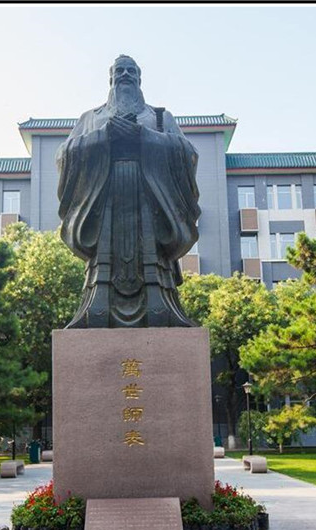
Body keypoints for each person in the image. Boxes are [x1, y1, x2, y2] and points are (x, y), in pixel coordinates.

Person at [56, 55, 201, 328]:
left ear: (139, 78)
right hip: (104, 201)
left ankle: (161, 306)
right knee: (104, 261)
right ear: (111, 78)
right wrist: (104, 135)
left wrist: (144, 137)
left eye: (131, 71)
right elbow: (64, 155)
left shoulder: (160, 117)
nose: (125, 75)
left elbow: (188, 154)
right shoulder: (91, 118)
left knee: (153, 261)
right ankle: (97, 306)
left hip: (151, 201)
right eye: (119, 70)